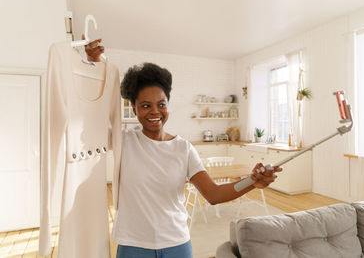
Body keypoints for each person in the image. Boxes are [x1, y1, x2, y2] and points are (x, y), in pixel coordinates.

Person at [85, 40, 282, 258]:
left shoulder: (183, 148)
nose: (154, 112)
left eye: (161, 104)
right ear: (134, 109)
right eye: (145, 105)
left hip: (176, 244)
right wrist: (93, 66)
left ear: (168, 105)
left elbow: (214, 194)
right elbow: (88, 116)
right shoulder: (123, 141)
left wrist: (253, 182)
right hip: (133, 245)